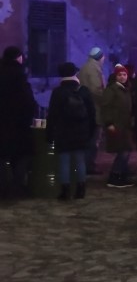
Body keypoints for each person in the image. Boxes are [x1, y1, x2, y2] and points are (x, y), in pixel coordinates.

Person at [47, 62, 97, 201]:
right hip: (81, 131)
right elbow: (92, 112)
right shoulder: (83, 90)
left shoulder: (58, 92)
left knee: (64, 161)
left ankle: (65, 191)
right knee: (80, 161)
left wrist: (49, 133)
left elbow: (52, 114)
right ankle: (81, 190)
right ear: (75, 73)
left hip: (63, 131)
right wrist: (91, 131)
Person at [0, 46, 37, 200]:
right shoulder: (19, 76)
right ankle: (17, 187)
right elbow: (27, 102)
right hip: (18, 125)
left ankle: (3, 188)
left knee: (2, 157)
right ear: (18, 57)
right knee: (21, 156)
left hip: (2, 124)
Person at [102, 64, 135, 188]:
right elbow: (106, 107)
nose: (122, 77)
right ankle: (115, 176)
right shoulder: (112, 90)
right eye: (120, 75)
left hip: (125, 125)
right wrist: (109, 123)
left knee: (126, 150)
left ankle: (121, 175)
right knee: (123, 151)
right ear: (115, 76)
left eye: (124, 74)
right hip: (117, 125)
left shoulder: (125, 89)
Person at [79, 47, 105, 177]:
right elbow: (96, 90)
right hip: (94, 109)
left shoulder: (84, 67)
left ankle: (85, 165)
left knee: (88, 138)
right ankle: (89, 165)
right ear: (100, 57)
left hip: (85, 108)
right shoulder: (94, 69)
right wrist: (106, 99)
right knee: (94, 140)